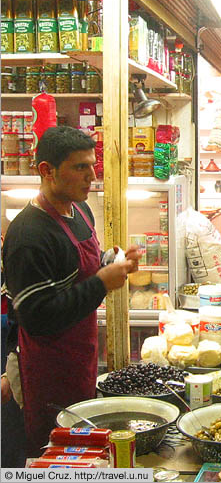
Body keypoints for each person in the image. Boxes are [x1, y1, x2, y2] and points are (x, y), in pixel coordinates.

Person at [1, 126, 141, 457]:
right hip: (47, 372)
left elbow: (78, 273)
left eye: (92, 165)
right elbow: (38, 317)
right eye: (79, 167)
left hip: (81, 360)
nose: (91, 176)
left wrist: (113, 262)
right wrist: (103, 282)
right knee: (54, 456)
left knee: (83, 451)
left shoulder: (79, 210)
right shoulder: (29, 234)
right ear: (46, 171)